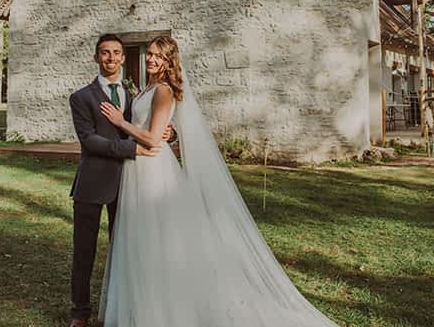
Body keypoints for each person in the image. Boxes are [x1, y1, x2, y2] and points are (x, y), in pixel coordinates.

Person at [97, 34, 338, 327]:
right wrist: (161, 130)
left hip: (153, 171)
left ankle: (164, 311)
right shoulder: (147, 87)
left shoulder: (163, 90)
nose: (150, 59)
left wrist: (121, 123)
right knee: (139, 240)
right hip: (136, 169)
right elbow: (154, 129)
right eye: (149, 53)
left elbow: (151, 139)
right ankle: (139, 307)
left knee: (158, 240)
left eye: (158, 56)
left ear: (169, 60)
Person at [68, 33, 173, 327]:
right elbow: (89, 141)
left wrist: (169, 132)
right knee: (84, 251)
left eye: (116, 53)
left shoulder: (135, 91)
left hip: (129, 185)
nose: (111, 58)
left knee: (125, 250)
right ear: (96, 57)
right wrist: (133, 149)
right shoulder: (81, 97)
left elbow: (148, 122)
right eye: (104, 53)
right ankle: (80, 312)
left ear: (124, 58)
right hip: (92, 182)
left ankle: (121, 308)